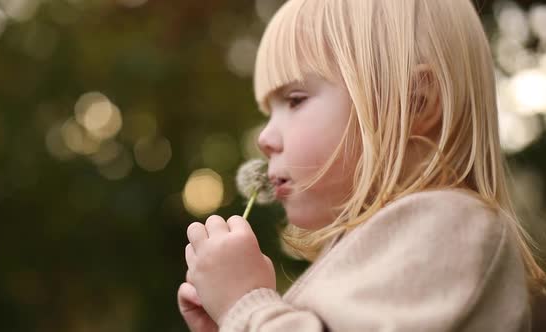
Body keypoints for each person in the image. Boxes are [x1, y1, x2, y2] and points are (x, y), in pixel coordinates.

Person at [177, 0, 546, 331]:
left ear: (412, 103)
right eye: (269, 111)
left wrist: (247, 304)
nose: (265, 138)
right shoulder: (381, 252)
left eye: (295, 99)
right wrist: (231, 318)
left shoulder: (450, 224)